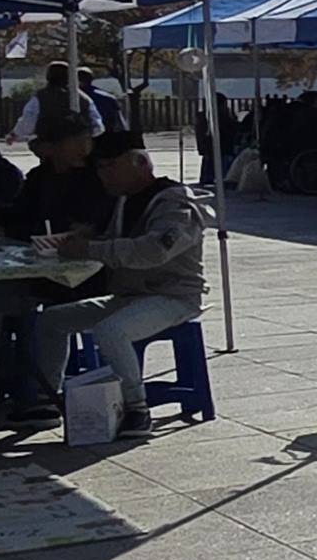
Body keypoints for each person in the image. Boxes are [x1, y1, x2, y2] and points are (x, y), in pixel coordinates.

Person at [24, 134, 206, 431]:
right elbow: (113, 242)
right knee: (51, 320)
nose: (104, 174)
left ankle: (137, 409)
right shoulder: (123, 201)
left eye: (111, 166)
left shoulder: (176, 203)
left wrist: (93, 249)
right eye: (100, 168)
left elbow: (153, 250)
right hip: (128, 296)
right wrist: (86, 238)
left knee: (110, 330)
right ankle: (47, 401)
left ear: (141, 162)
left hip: (172, 297)